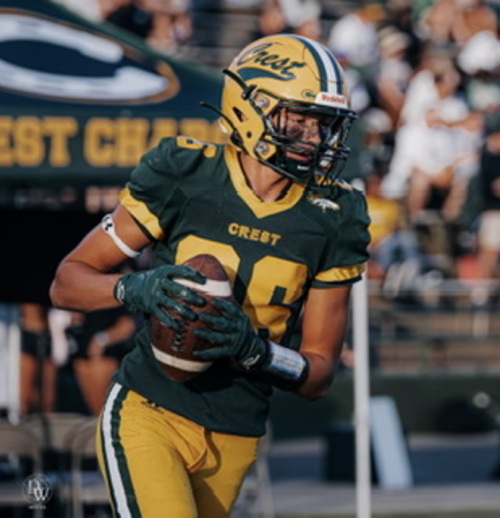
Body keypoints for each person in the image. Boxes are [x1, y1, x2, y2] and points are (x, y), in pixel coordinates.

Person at [50, 34, 370, 518]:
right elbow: (67, 282)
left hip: (236, 431)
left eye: (323, 123)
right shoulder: (186, 173)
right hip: (149, 409)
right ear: (250, 107)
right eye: (298, 119)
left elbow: (319, 372)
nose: (314, 137)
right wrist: (136, 288)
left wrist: (258, 352)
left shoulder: (335, 215)